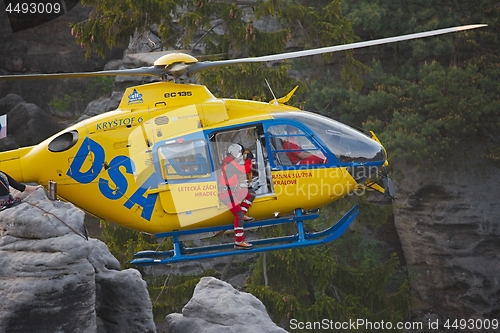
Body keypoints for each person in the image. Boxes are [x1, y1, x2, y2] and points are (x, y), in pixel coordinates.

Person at [218, 143, 256, 250]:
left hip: (231, 191)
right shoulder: (230, 163)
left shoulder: (228, 161)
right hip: (226, 193)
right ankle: (239, 241)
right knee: (238, 215)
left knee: (251, 193)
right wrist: (248, 160)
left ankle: (242, 215)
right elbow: (245, 170)